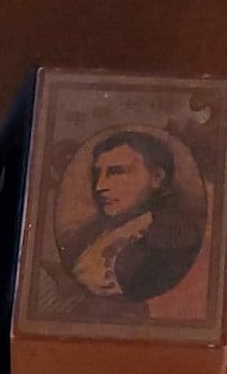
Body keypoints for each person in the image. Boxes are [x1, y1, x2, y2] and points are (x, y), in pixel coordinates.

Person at [54, 130, 202, 321]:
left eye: (116, 172)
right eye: (98, 174)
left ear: (157, 178)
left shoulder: (174, 239)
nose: (100, 186)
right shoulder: (96, 230)